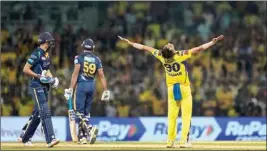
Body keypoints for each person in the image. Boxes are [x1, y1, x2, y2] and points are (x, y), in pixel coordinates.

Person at [118, 35, 224, 148]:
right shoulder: (179, 55)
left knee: (172, 117)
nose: (169, 43)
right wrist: (211, 43)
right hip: (184, 88)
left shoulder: (161, 56)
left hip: (171, 89)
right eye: (169, 46)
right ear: (172, 51)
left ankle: (170, 141)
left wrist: (130, 43)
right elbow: (198, 49)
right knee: (186, 116)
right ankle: (184, 141)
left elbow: (145, 48)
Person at [64, 38, 110, 144]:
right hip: (91, 87)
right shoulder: (97, 59)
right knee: (86, 113)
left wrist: (71, 88)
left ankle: (89, 128)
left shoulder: (79, 58)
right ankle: (83, 137)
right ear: (93, 48)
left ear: (83, 46)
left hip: (81, 86)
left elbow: (75, 74)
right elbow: (102, 76)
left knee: (78, 112)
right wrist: (106, 90)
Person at [18, 32, 60, 147]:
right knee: (45, 111)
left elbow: (46, 70)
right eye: (49, 41)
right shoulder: (36, 53)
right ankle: (50, 139)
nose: (51, 42)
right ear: (44, 42)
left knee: (37, 113)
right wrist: (38, 76)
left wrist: (53, 80)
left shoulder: (46, 55)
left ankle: (24, 137)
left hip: (45, 87)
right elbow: (25, 69)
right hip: (37, 86)